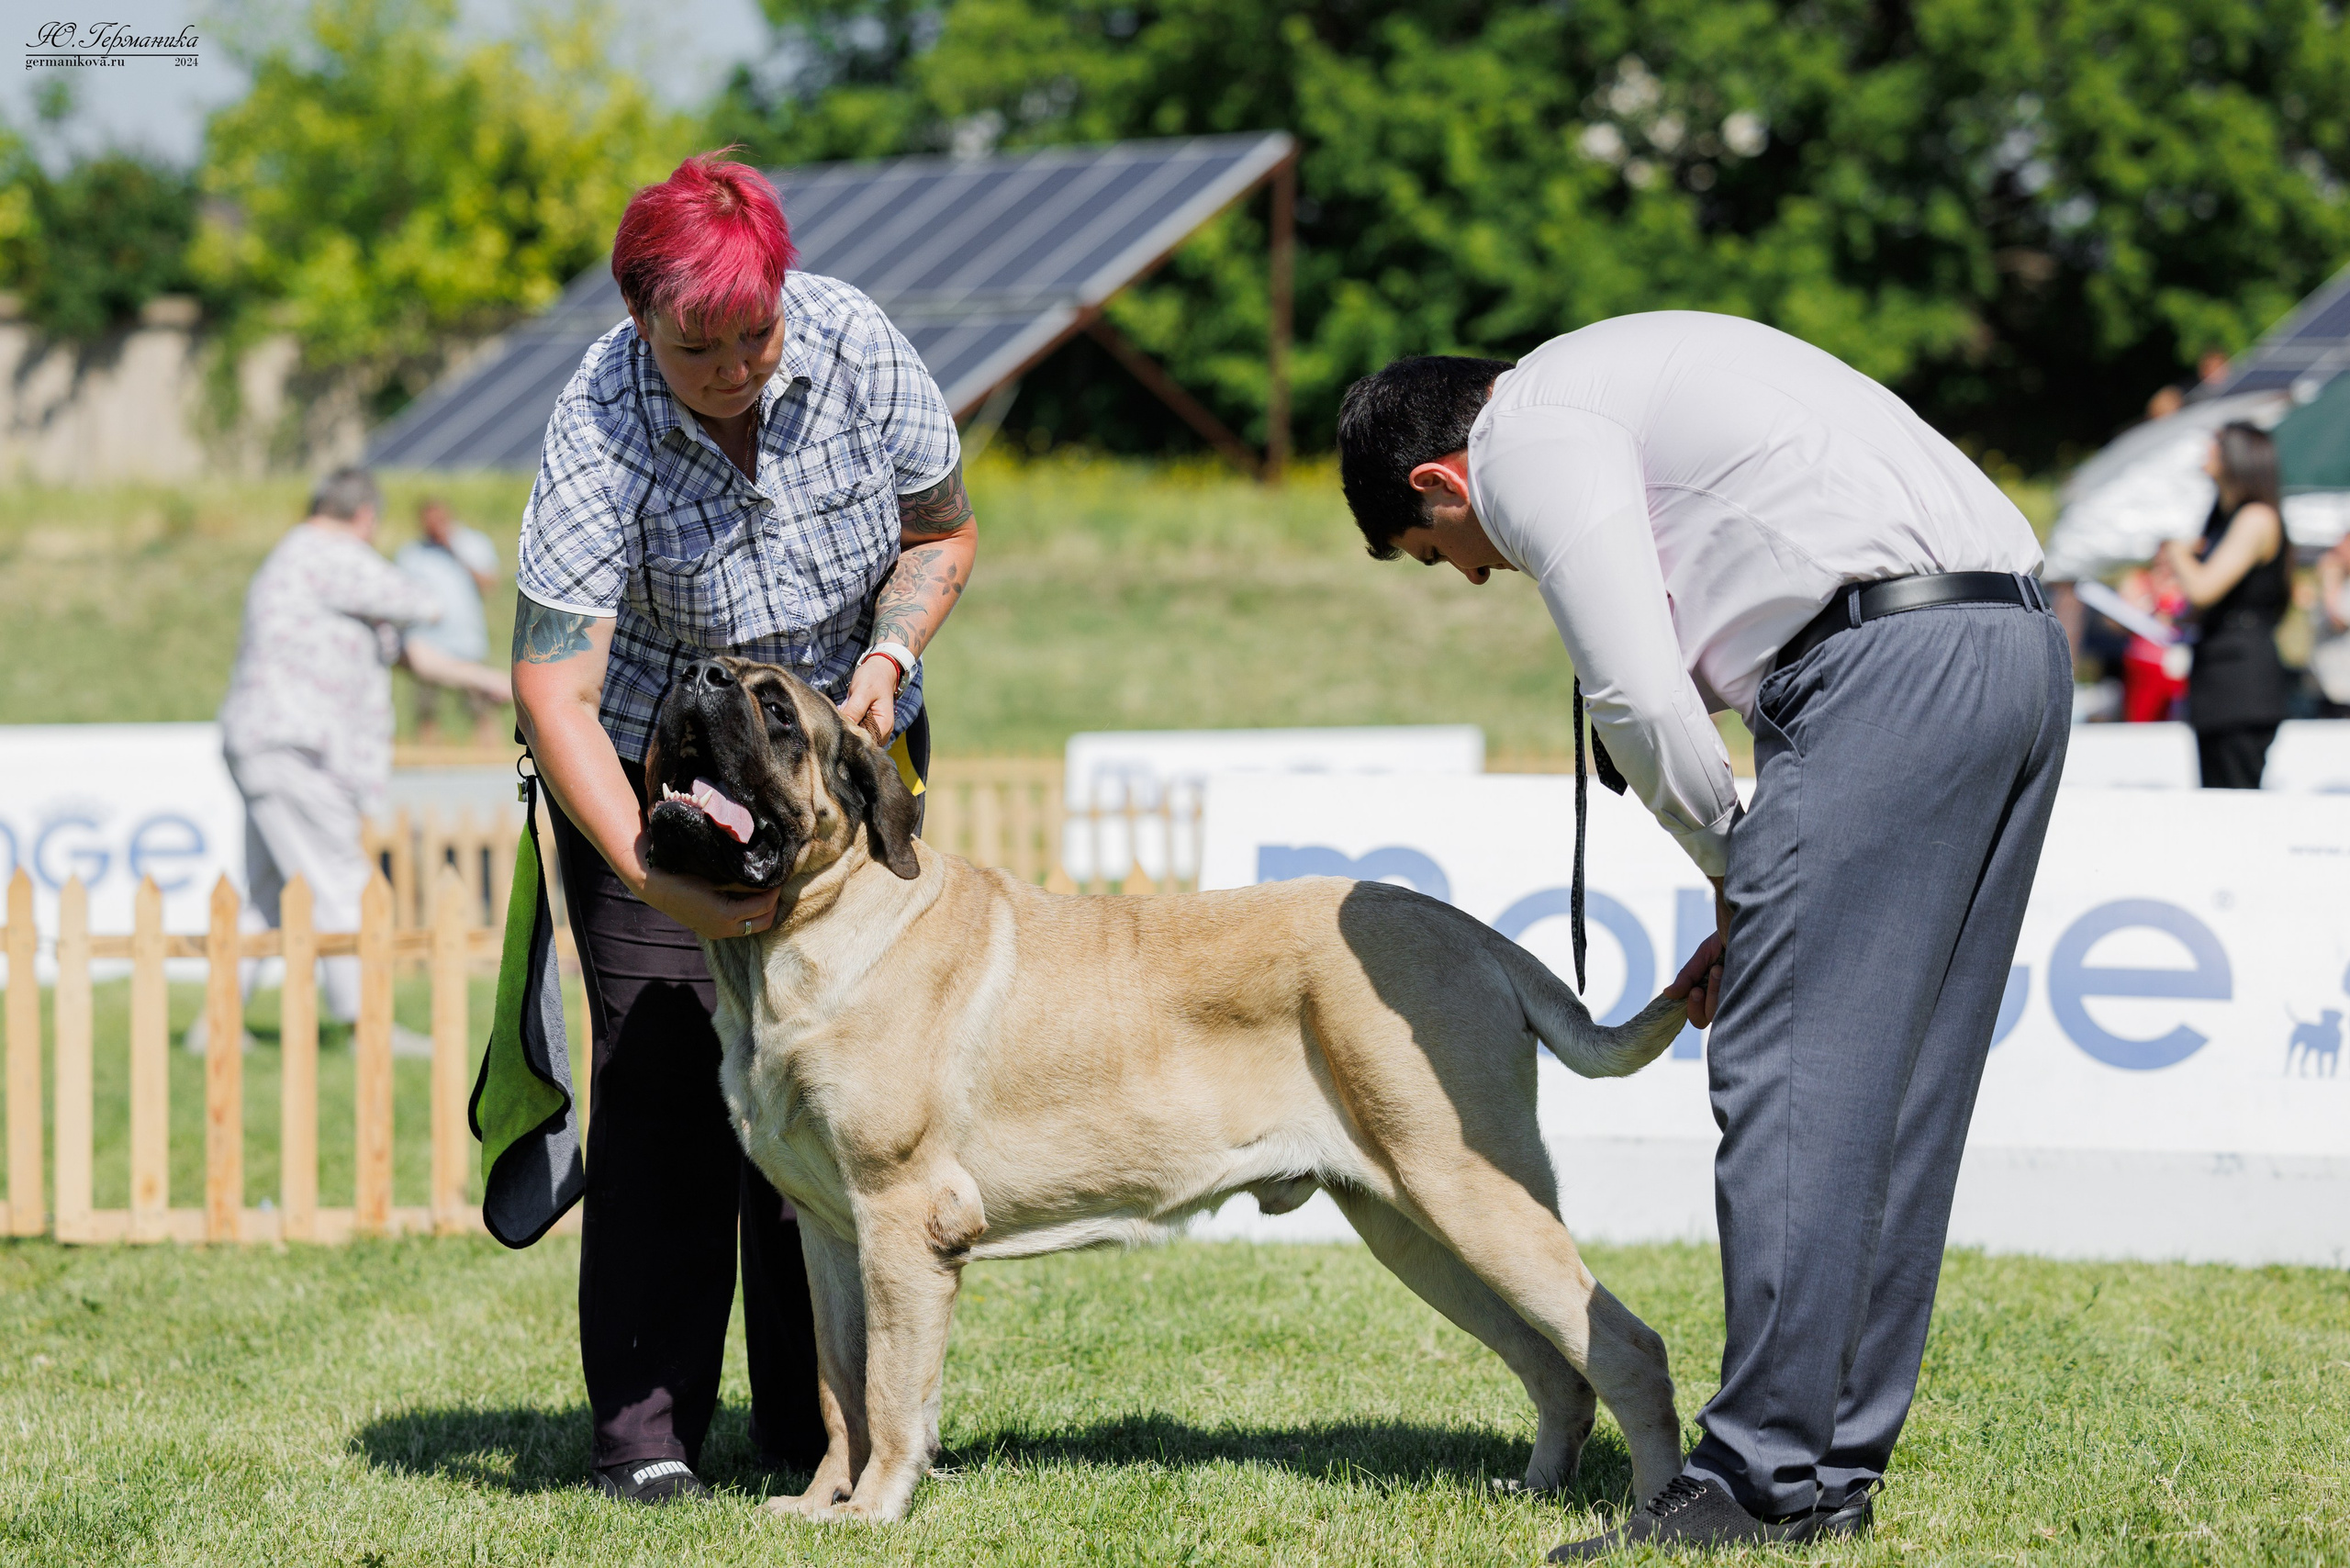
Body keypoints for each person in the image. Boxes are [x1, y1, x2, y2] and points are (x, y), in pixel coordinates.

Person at [1336, 314, 2067, 1557]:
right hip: (2017, 649)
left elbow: (1631, 685)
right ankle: (1828, 1468)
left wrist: (1737, 867)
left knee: (1787, 1079)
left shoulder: (1529, 433)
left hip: (1879, 670)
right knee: (1900, 1097)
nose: (1469, 575)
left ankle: (1754, 1481)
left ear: (1438, 481)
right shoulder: (1619, 375)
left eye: (1434, 551)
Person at [509, 150, 977, 1506]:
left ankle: (815, 1431)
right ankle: (648, 1442)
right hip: (658, 776)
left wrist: (884, 667)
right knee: (665, 1096)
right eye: (694, 345)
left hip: (843, 758)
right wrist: (656, 878)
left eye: (753, 334)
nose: (731, 366)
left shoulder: (859, 344)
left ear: (785, 297)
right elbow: (555, 683)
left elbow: (941, 535)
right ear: (640, 322)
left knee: (844, 1109)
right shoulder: (596, 417)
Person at [213, 469, 447, 1052]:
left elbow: (390, 644)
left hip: (267, 742)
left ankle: (215, 1027)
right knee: (344, 882)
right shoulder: (330, 553)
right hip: (298, 748)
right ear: (365, 516)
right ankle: (366, 1026)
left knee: (267, 894)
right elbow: (424, 603)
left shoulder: (291, 558)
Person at [2158, 423, 2292, 788]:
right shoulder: (2223, 519)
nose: (2207, 451)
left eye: (2215, 445)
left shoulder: (2256, 517)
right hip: (2217, 682)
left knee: (2235, 807)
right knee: (2217, 805)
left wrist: (2175, 549)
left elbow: (2204, 589)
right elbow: (2204, 601)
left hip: (2243, 685)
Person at [395, 498, 511, 745]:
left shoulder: (472, 543)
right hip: (427, 642)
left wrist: (454, 550)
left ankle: (489, 749)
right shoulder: (412, 553)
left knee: (479, 702)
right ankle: (429, 748)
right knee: (427, 705)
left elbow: (489, 584)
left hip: (466, 638)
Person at [2311, 533, 2350, 718]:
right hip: (2326, 685)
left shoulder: (2336, 584)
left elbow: (2337, 620)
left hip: (2344, 690)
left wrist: (2330, 579)